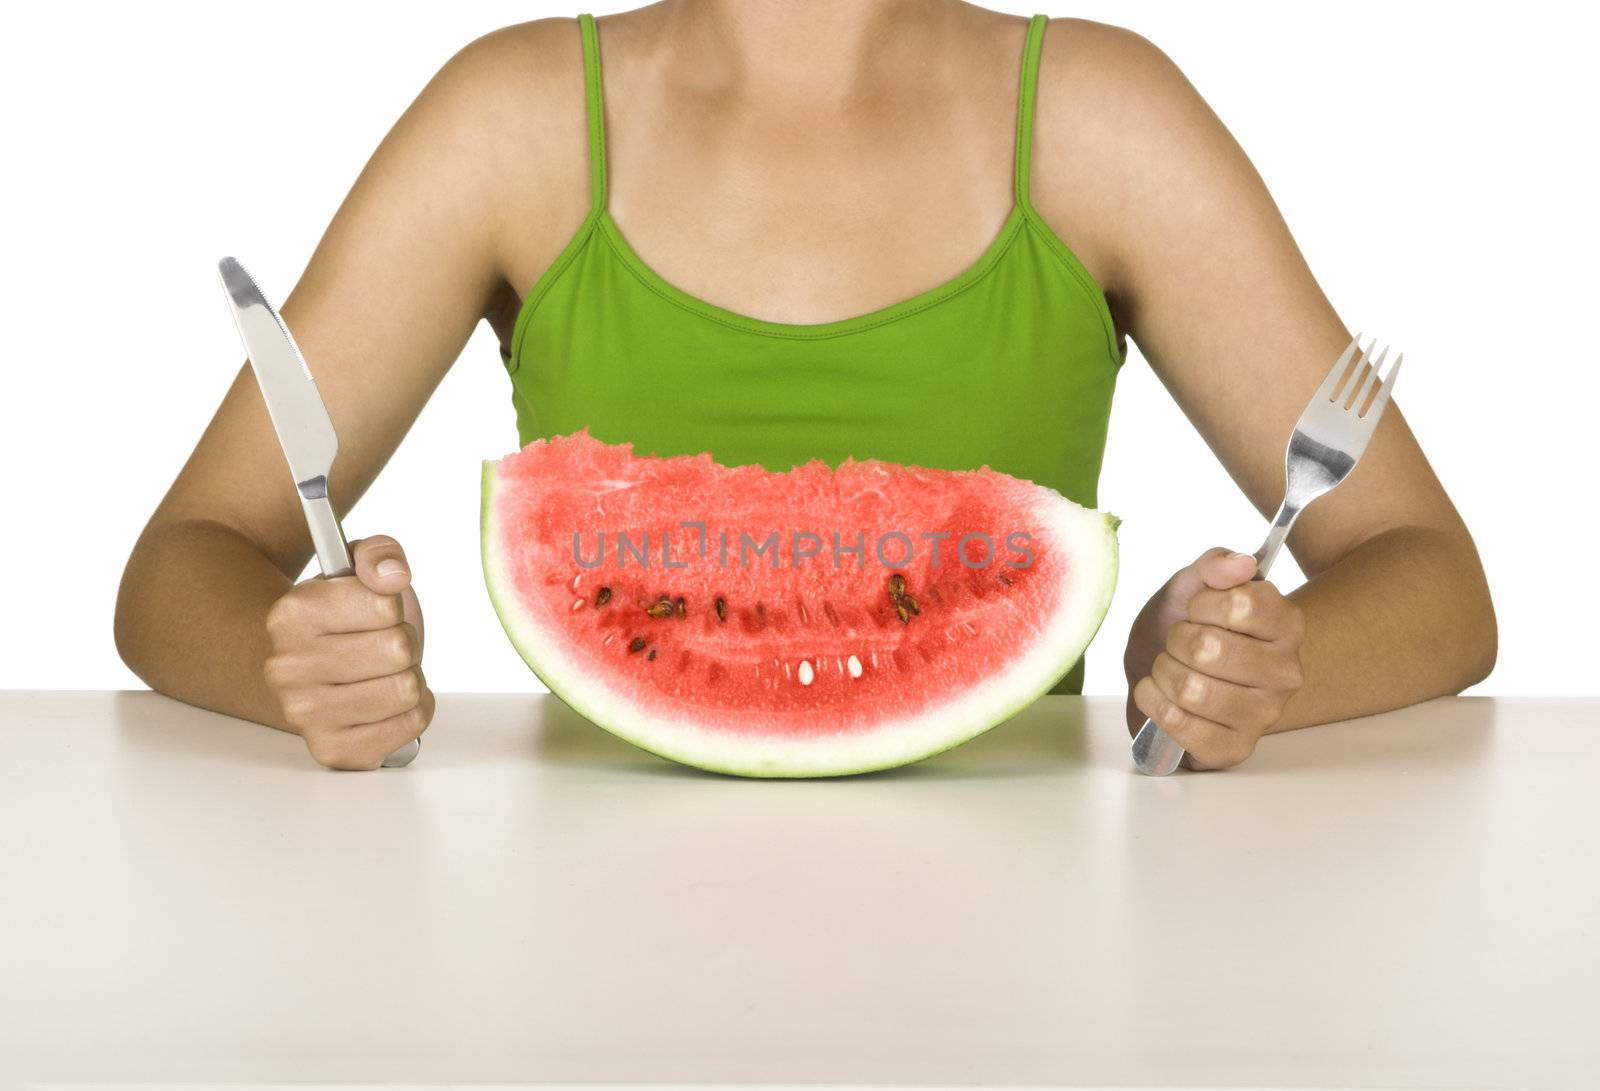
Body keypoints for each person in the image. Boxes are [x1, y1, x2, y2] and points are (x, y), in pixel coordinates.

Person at [114, 2, 1496, 772]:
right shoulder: (517, 118)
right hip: (584, 955)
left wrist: (1256, 674)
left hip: (1039, 962)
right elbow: (183, 560)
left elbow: (1429, 574)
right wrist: (280, 657)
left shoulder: (1098, 118)